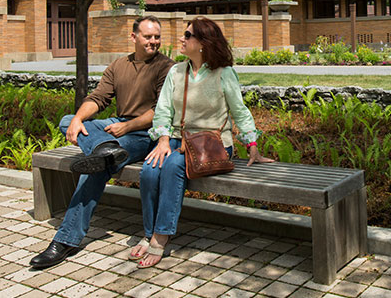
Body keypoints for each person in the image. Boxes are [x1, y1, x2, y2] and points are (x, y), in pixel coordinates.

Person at [30, 15, 175, 269]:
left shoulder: (166, 67)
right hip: (116, 130)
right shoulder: (118, 65)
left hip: (145, 134)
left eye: (157, 37)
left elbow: (161, 111)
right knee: (67, 120)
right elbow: (97, 98)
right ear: (134, 37)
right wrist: (78, 119)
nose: (154, 41)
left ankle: (65, 241)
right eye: (148, 36)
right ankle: (103, 149)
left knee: (98, 166)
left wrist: (127, 126)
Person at [130, 16, 273, 268]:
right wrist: (163, 140)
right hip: (175, 139)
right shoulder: (176, 71)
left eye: (187, 35)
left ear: (203, 43)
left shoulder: (224, 73)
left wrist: (252, 146)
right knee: (150, 170)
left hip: (213, 143)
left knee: (174, 164)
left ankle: (161, 237)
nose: (181, 39)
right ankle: (148, 232)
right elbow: (163, 110)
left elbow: (239, 111)